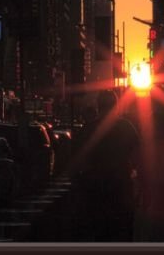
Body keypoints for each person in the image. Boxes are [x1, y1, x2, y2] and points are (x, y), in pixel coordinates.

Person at [70, 90, 140, 242]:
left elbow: (76, 161)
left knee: (98, 232)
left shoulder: (88, 129)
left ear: (98, 106)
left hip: (95, 187)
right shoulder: (125, 127)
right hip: (120, 186)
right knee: (121, 232)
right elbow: (137, 156)